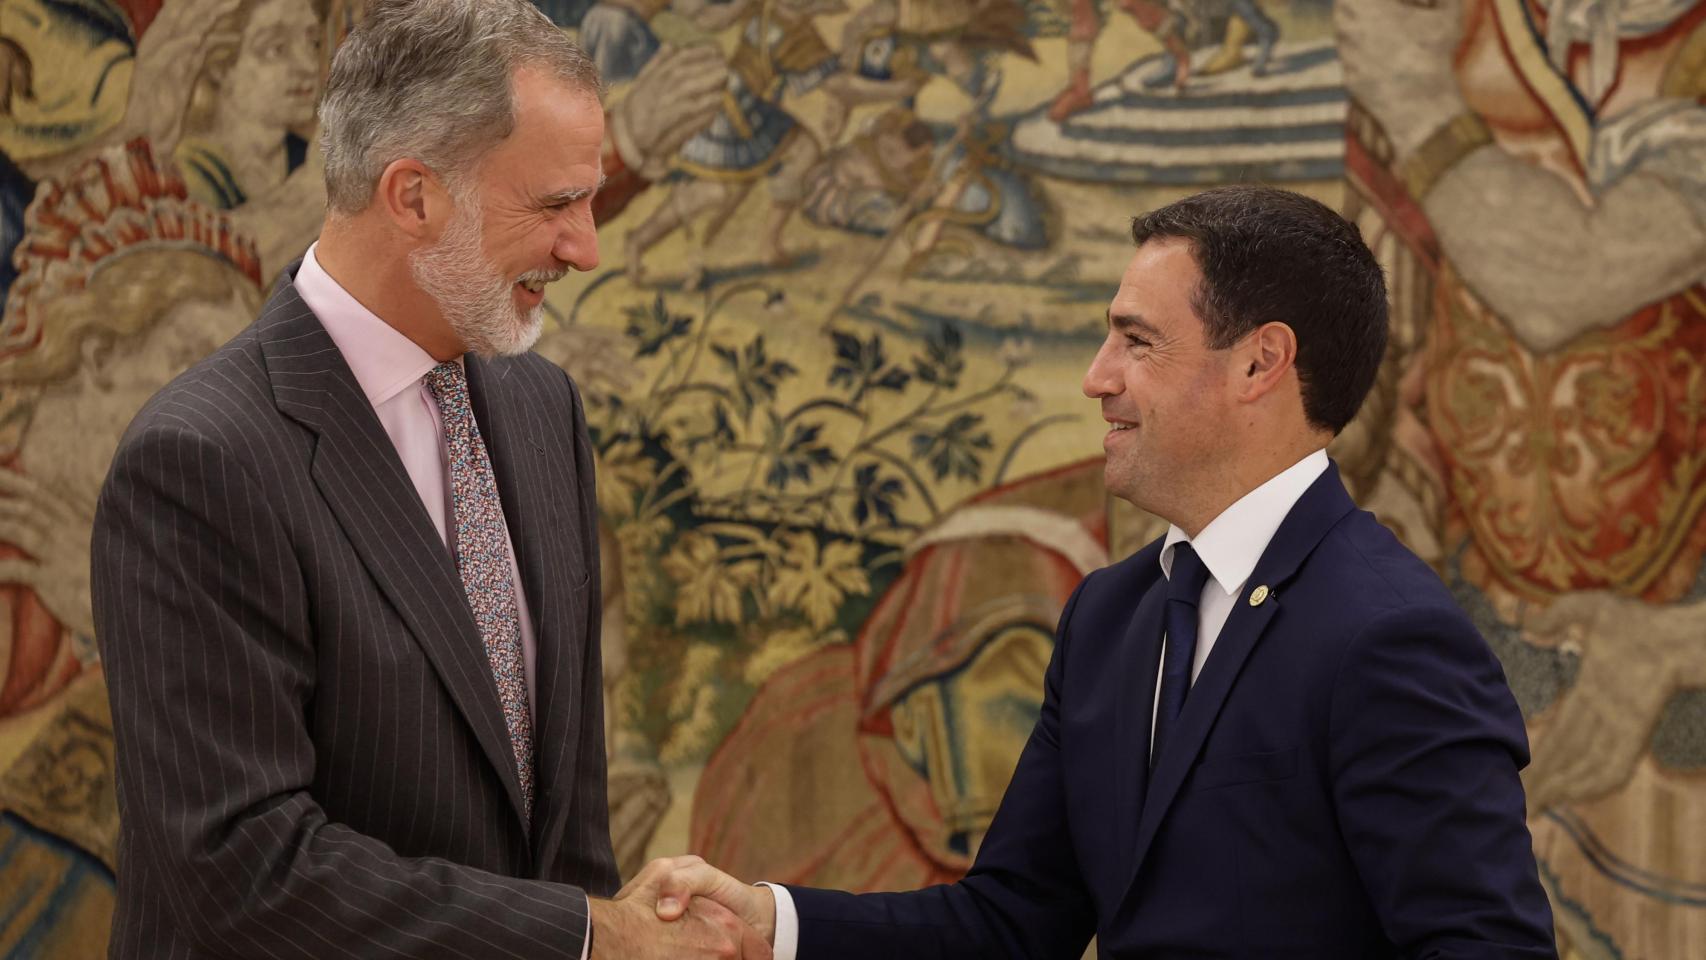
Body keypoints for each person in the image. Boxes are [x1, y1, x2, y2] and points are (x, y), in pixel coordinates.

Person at [640, 185, 1560, 958]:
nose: (1097, 376)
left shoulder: (1391, 635)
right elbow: (1008, 924)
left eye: (1137, 341)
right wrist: (772, 924)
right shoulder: (1108, 617)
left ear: (1260, 362)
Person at [89, 0, 768, 957]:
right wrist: (587, 937)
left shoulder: (541, 409)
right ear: (412, 197)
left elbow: (560, 821)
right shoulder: (199, 461)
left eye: (590, 199)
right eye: (554, 204)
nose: (588, 247)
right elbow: (240, 870)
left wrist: (600, 927)